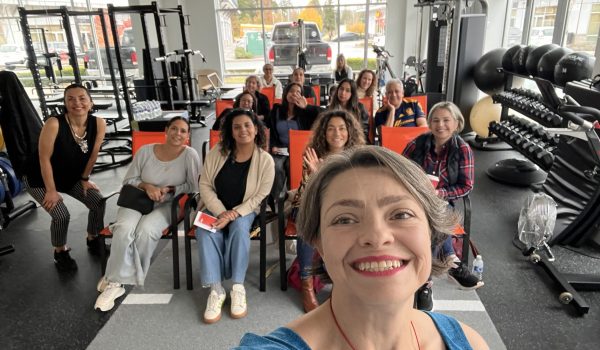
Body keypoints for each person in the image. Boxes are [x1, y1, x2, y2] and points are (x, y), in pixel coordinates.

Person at [236, 146, 489, 349]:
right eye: (344, 219)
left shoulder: (471, 343)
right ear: (319, 244)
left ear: (432, 233)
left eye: (401, 214)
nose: (376, 237)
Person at [94, 116, 200, 312]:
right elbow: (129, 180)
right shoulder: (145, 151)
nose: (178, 133)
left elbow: (193, 186)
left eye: (183, 131)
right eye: (174, 129)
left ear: (188, 136)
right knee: (124, 230)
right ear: (166, 131)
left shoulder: (190, 155)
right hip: (138, 200)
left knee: (146, 231)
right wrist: (147, 185)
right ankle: (116, 283)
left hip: (168, 204)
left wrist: (169, 190)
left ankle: (114, 277)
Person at [196, 109, 275, 324]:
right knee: (204, 230)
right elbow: (204, 184)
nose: (243, 130)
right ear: (230, 132)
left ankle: (237, 286)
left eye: (247, 125)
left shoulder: (266, 160)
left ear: (256, 129)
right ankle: (216, 289)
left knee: (240, 229)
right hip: (216, 208)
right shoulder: (217, 152)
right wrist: (221, 211)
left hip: (245, 210)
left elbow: (260, 196)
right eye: (237, 126)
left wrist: (232, 215)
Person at [403, 101, 482, 310]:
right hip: (413, 197)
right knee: (434, 212)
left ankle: (425, 283)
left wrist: (440, 193)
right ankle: (451, 261)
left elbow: (466, 186)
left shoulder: (463, 149)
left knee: (436, 210)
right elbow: (399, 170)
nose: (440, 125)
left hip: (440, 201)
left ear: (456, 123)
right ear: (429, 123)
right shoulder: (417, 143)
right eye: (435, 120)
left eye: (446, 120)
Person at [23, 83, 106, 271]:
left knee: (97, 201)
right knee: (61, 214)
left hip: (70, 177)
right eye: (71, 99)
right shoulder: (54, 123)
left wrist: (85, 179)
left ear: (91, 103)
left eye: (82, 98)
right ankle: (60, 251)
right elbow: (43, 159)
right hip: (39, 177)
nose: (77, 102)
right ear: (65, 103)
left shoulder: (99, 123)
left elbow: (93, 154)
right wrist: (51, 191)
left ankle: (93, 238)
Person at [290, 110, 365, 313]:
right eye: (331, 129)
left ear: (349, 132)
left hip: (343, 209)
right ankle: (307, 284)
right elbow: (307, 196)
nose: (336, 133)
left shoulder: (357, 157)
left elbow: (355, 192)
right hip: (310, 206)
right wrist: (317, 174)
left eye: (342, 128)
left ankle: (343, 279)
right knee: (311, 221)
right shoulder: (313, 155)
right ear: (324, 133)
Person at [268, 82, 322, 196]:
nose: (294, 94)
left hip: (299, 150)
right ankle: (277, 199)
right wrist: (272, 146)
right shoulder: (277, 110)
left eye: (298, 92)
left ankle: (292, 195)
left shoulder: (306, 113)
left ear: (302, 96)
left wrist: (307, 107)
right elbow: (271, 131)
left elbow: (325, 114)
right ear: (286, 94)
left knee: (291, 167)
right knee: (276, 167)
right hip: (280, 149)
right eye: (292, 91)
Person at [328, 78, 370, 143]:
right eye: (341, 89)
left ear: (352, 94)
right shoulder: (330, 108)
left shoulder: (360, 108)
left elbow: (364, 132)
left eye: (347, 91)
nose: (343, 92)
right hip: (336, 141)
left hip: (355, 142)